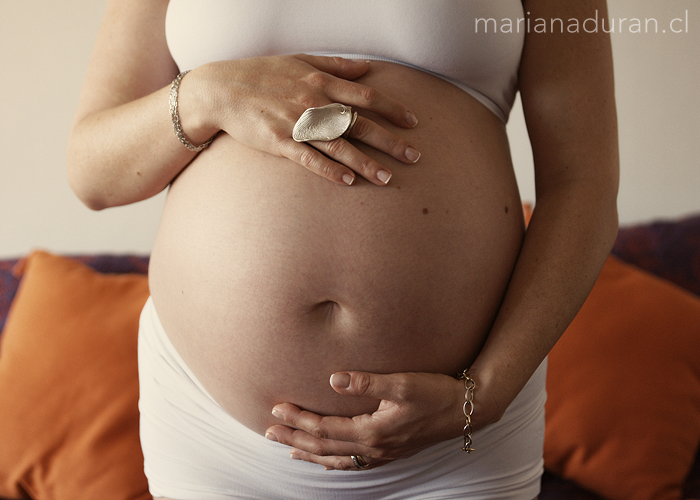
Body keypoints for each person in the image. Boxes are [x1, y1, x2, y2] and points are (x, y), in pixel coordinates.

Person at [66, 0, 619, 498]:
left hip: (456, 438)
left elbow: (584, 185)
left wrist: (486, 396)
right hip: (215, 435)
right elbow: (93, 173)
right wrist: (205, 95)